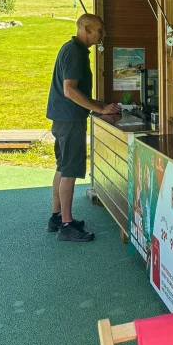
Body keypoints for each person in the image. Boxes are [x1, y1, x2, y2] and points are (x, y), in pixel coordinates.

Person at [46, 14, 120, 242]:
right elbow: (70, 91)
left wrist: (99, 105)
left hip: (62, 119)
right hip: (70, 121)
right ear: (86, 29)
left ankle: (57, 217)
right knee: (69, 171)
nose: (102, 35)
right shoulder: (75, 53)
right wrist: (98, 109)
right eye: (100, 30)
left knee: (62, 167)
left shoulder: (70, 49)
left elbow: (76, 92)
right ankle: (67, 226)